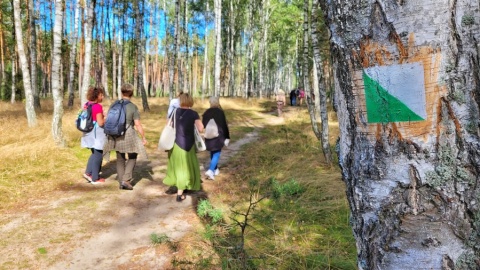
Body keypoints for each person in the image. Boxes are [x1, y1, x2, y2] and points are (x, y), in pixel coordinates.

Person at [103, 83, 148, 190]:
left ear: (121, 92)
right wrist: (143, 137)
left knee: (120, 158)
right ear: (131, 93)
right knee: (132, 156)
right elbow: (137, 124)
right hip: (128, 134)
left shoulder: (114, 104)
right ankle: (126, 180)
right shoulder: (133, 107)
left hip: (115, 133)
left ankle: (121, 182)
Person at [163, 93, 204, 202]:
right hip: (189, 144)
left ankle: (179, 185)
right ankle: (180, 193)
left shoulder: (174, 112)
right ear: (190, 101)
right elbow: (200, 129)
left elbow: (168, 125)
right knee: (186, 167)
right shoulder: (194, 113)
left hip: (176, 144)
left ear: (180, 101)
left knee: (178, 166)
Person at [81, 86, 107, 184]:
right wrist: (107, 117)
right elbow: (100, 122)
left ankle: (88, 173)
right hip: (96, 133)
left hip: (88, 131)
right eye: (101, 95)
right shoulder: (98, 107)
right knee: (98, 155)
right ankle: (95, 178)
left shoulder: (87, 104)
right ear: (97, 96)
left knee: (94, 153)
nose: (103, 96)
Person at [202, 96, 230, 180]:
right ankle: (210, 170)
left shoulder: (206, 112)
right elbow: (224, 125)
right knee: (216, 153)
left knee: (212, 151)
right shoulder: (220, 112)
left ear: (210, 103)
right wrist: (227, 137)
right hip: (218, 135)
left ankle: (215, 169)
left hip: (209, 135)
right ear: (218, 102)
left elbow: (203, 124)